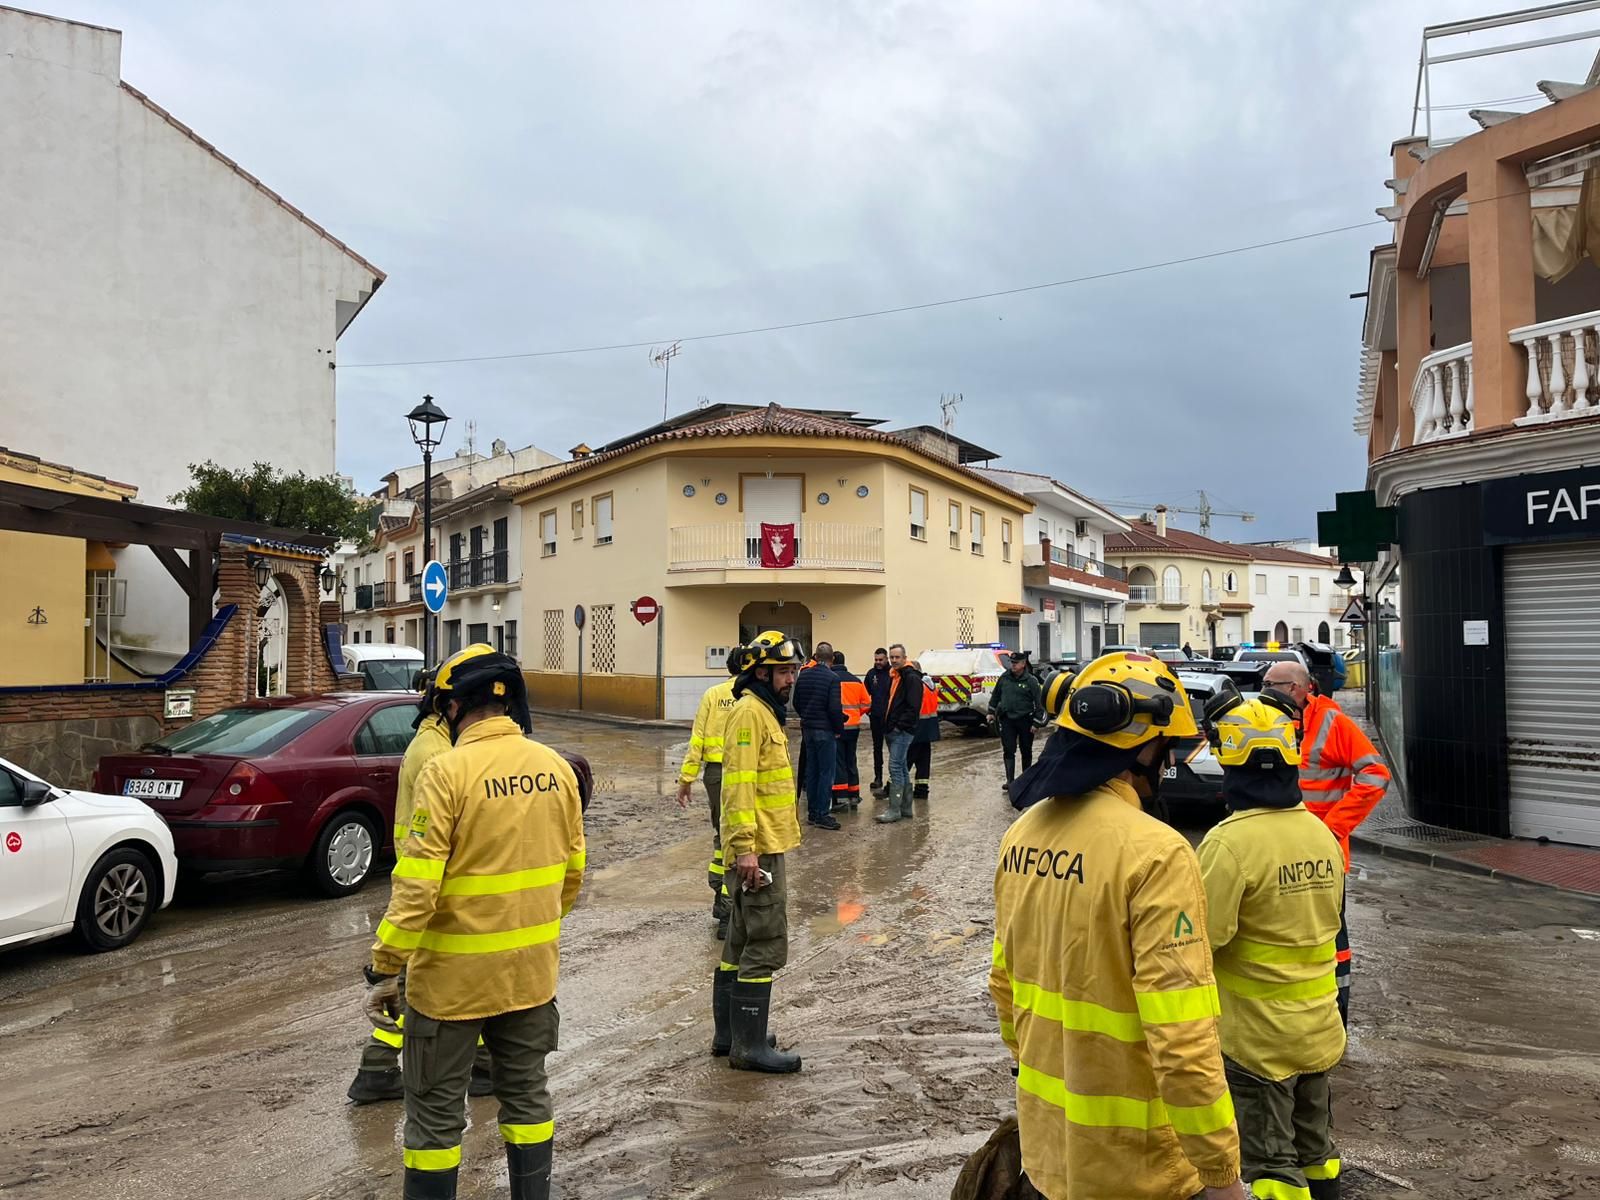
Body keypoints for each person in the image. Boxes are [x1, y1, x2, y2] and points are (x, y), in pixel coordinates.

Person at [991, 653, 1245, 1200]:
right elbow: (1181, 1039)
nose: (1168, 758)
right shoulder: (1157, 853)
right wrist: (1220, 1172)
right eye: (1165, 746)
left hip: (1046, 1156)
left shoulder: (1022, 833)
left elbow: (1004, 983)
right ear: (1143, 748)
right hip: (1139, 1169)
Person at [364, 645, 586, 1200]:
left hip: (451, 986)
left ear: (454, 705)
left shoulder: (446, 772)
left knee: (435, 1118)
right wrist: (527, 928)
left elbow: (417, 887)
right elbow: (573, 874)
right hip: (530, 977)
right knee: (527, 1098)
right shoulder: (556, 769)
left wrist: (385, 964)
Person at [1198, 694, 1346, 1200]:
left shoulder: (1228, 844)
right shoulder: (1321, 835)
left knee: (1269, 1165)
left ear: (1227, 762)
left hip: (1257, 1041)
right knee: (1316, 1151)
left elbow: (1201, 941)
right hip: (1318, 1029)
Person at [347, 663, 496, 1107]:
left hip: (428, 878)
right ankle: (377, 1068)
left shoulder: (436, 741)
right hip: (430, 883)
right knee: (417, 985)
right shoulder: (436, 752)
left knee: (459, 980)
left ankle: (481, 1066)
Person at [1261, 661, 1390, 1025]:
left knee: (1331, 938)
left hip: (1322, 856)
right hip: (1275, 852)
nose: (1263, 688)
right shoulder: (1266, 720)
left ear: (1296, 688)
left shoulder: (1333, 723)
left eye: (1271, 683)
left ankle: (1334, 1015)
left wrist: (1331, 829)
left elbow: (1376, 775)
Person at [712, 630, 804, 1073]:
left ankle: (730, 1034)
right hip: (758, 849)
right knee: (765, 941)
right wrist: (747, 850)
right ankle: (748, 1047)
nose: (791, 679)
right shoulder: (751, 714)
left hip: (761, 844)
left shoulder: (762, 711)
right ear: (761, 673)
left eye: (792, 671)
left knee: (739, 938)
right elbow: (739, 786)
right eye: (784, 671)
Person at [677, 654, 741, 939]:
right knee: (737, 841)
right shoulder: (751, 696)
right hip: (742, 773)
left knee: (721, 837)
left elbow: (697, 739)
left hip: (715, 774)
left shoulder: (713, 695)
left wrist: (686, 778)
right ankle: (728, 913)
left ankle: (719, 899)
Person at [792, 641, 843, 830]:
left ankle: (813, 812)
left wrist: (806, 716)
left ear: (815, 656)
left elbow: (796, 702)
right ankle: (822, 813)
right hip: (825, 730)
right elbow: (834, 708)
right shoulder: (833, 678)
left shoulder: (804, 675)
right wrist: (838, 729)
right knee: (826, 773)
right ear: (832, 658)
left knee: (812, 770)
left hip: (808, 728)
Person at [876, 644, 923, 824]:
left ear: (904, 658)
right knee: (901, 767)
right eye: (892, 657)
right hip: (895, 729)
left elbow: (913, 707)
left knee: (895, 767)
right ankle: (905, 808)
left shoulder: (910, 678)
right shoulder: (897, 676)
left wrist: (898, 726)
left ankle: (894, 809)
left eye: (897, 657)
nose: (894, 660)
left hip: (902, 730)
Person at [991, 651, 1045, 795]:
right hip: (1007, 719)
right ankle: (1010, 781)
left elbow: (1039, 703)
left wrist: (1036, 723)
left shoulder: (1031, 681)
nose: (1013, 665)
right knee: (1008, 749)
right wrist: (991, 711)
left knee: (1026, 750)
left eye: (1015, 663)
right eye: (1011, 663)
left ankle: (1025, 780)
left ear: (1023, 664)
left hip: (1025, 720)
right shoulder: (1004, 678)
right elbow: (996, 695)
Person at [831, 650, 870, 811]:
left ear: (833, 661)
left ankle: (841, 797)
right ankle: (854, 794)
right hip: (854, 727)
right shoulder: (856, 681)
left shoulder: (831, 679)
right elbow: (867, 704)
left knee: (839, 761)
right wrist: (856, 714)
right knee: (851, 759)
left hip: (837, 726)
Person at [908, 662, 941, 800]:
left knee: (904, 760)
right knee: (923, 761)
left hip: (917, 726)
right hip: (929, 727)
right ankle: (921, 789)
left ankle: (892, 788)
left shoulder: (917, 685)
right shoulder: (930, 684)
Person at [864, 647, 893, 797]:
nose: (878, 662)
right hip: (875, 717)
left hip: (890, 718)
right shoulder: (871, 674)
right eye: (876, 660)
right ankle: (878, 777)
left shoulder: (893, 674)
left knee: (893, 749)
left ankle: (893, 779)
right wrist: (869, 711)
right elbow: (864, 694)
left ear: (886, 659)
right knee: (877, 748)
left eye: (881, 660)